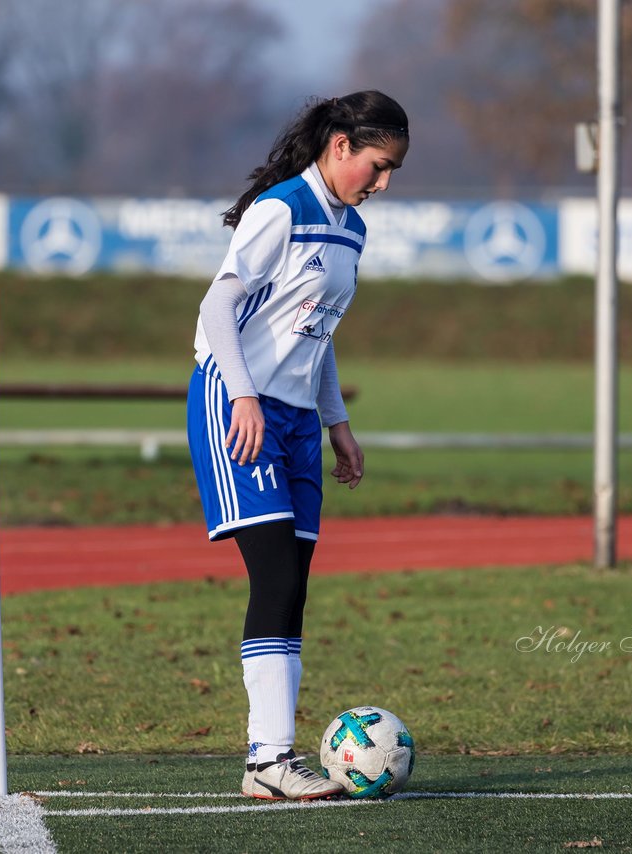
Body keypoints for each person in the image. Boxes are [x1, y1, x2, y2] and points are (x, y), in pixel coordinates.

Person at [185, 90, 409, 800]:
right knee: (275, 577)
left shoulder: (352, 231)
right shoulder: (282, 208)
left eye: (394, 171)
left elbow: (318, 332)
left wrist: (337, 422)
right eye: (377, 166)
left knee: (293, 587)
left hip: (298, 422)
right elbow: (217, 305)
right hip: (236, 405)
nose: (383, 184)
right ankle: (268, 761)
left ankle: (269, 763)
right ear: (339, 145)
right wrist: (243, 395)